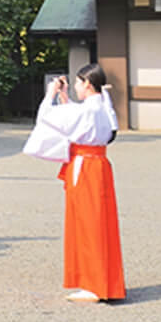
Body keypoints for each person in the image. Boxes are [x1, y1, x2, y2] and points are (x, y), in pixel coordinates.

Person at [24, 64, 126, 302]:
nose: (78, 87)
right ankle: (105, 282)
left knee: (86, 223)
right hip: (100, 163)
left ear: (87, 83)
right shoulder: (103, 105)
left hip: (84, 166)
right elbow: (96, 126)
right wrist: (65, 97)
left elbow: (46, 118)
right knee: (101, 222)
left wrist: (51, 93)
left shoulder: (88, 110)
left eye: (79, 83)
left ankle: (93, 285)